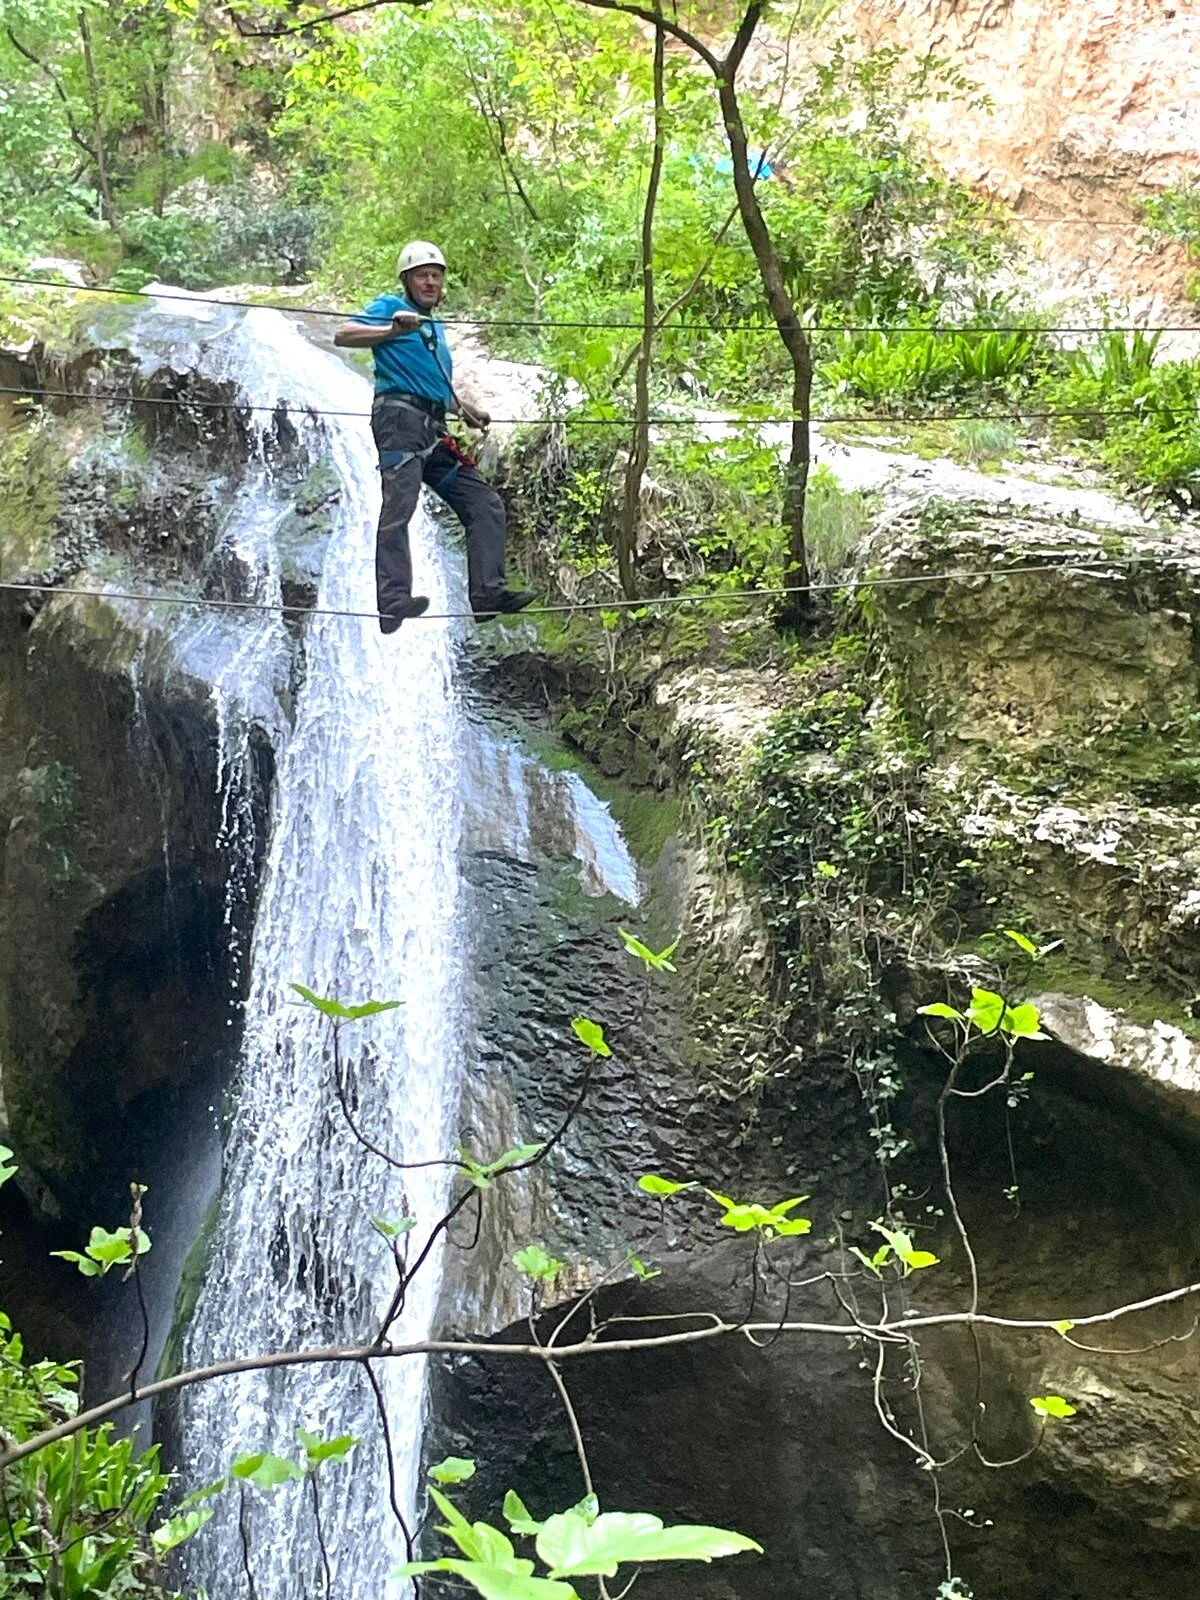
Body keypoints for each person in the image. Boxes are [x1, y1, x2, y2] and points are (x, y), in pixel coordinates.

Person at [333, 240, 535, 633]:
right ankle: (392, 602)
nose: (430, 282)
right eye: (422, 275)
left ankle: (487, 593)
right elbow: (344, 334)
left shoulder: (434, 327)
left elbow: (432, 381)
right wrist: (392, 329)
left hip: (432, 428)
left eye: (435, 276)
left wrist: (464, 409)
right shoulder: (391, 308)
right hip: (400, 423)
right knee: (400, 508)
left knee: (484, 502)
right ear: (406, 281)